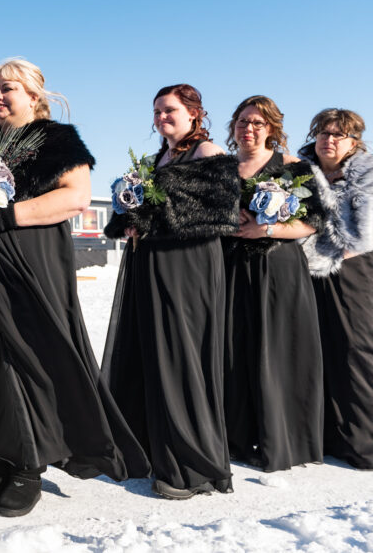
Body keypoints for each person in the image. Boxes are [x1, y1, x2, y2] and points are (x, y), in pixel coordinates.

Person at [0, 58, 149, 518]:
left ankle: (28, 465)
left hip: (28, 255)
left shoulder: (58, 140)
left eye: (9, 89)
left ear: (34, 96)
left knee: (30, 353)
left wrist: (7, 215)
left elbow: (76, 196)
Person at [103, 83, 239, 500]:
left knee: (182, 354)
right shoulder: (157, 158)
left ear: (195, 113)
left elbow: (220, 212)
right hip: (151, 263)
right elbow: (134, 210)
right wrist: (126, 219)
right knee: (152, 353)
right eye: (157, 112)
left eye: (170, 111)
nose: (162, 118)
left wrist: (150, 213)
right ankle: (150, 448)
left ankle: (192, 465)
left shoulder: (209, 153)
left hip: (189, 267)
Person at [222, 96, 324, 471]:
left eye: (258, 123)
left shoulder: (294, 167)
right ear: (233, 127)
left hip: (278, 268)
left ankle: (280, 439)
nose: (249, 128)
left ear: (272, 129)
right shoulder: (222, 168)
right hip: (229, 268)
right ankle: (236, 436)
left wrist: (266, 229)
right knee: (233, 350)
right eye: (243, 121)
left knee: (277, 350)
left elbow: (315, 220)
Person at [298, 108, 373, 469]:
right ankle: (328, 436)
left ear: (353, 140)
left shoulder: (367, 173)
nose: (329, 140)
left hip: (353, 267)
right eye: (324, 133)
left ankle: (364, 443)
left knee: (356, 351)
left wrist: (333, 250)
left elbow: (365, 231)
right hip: (308, 268)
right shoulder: (300, 171)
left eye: (339, 135)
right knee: (319, 348)